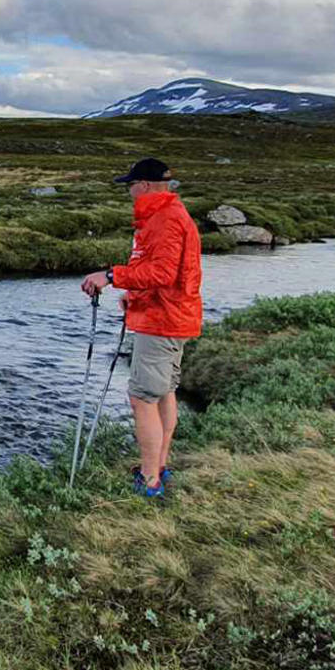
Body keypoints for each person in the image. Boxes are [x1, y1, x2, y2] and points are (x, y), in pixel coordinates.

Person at [81, 157, 202, 497]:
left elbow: (163, 274)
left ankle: (150, 482)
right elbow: (161, 272)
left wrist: (110, 276)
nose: (128, 191)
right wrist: (134, 293)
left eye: (131, 185)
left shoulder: (165, 219)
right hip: (166, 315)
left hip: (163, 320)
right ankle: (158, 468)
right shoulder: (163, 215)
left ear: (145, 186)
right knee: (163, 392)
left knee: (142, 398)